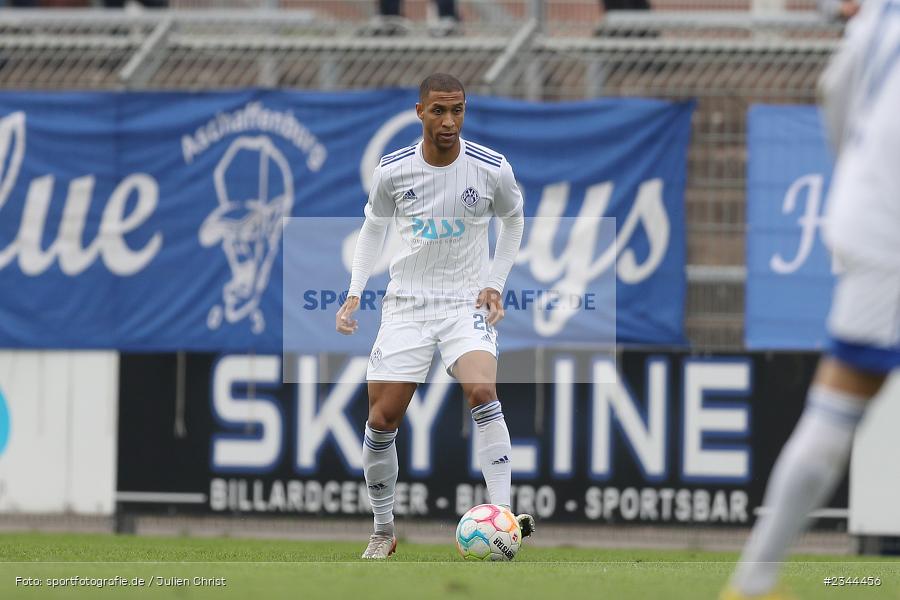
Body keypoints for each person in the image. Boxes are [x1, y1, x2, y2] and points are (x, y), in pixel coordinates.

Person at [721, 3, 900, 599]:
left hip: (869, 217)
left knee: (838, 403)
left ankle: (755, 580)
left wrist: (856, 176)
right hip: (891, 231)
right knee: (841, 401)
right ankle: (754, 582)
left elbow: (834, 89)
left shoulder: (882, 13)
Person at [336, 73, 532, 560]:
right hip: (407, 304)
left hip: (465, 302)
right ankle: (383, 529)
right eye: (439, 110)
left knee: (482, 391)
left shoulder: (491, 168)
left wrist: (495, 282)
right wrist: (355, 291)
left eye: (457, 111)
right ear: (419, 111)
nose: (449, 121)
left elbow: (513, 220)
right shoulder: (392, 171)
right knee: (381, 419)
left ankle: (504, 518)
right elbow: (373, 228)